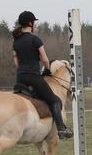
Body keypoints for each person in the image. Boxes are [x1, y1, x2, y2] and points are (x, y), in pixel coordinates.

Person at [11, 11, 73, 139]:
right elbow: (45, 59)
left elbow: (16, 62)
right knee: (55, 100)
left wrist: (23, 69)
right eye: (34, 22)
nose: (35, 24)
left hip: (20, 78)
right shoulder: (35, 39)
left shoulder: (16, 41)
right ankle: (61, 129)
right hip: (33, 77)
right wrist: (48, 69)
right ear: (30, 23)